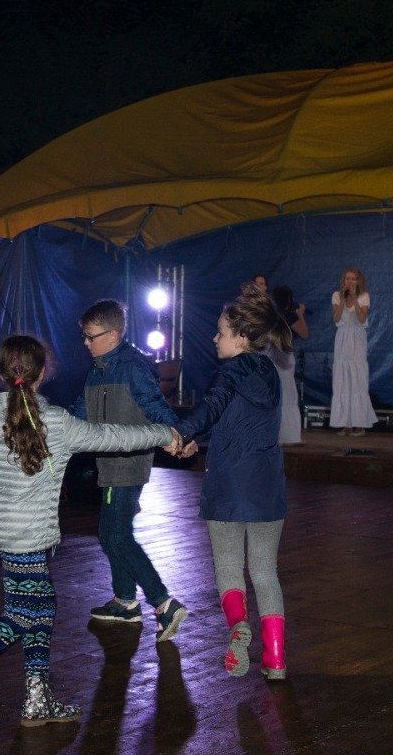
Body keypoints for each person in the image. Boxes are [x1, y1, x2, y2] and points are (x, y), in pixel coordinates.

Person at [0, 335, 180, 735]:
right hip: (28, 538)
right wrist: (164, 433)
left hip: (5, 535)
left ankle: (38, 698)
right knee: (22, 615)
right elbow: (115, 437)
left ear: (3, 373)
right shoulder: (59, 423)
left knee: (42, 608)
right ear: (42, 373)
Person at [173, 284, 291, 681]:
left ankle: (239, 626)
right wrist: (199, 439)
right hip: (267, 486)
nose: (214, 338)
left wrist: (180, 432)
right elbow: (236, 421)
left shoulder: (232, 370)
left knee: (227, 566)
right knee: (266, 572)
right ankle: (276, 659)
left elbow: (211, 407)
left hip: (227, 485)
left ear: (240, 338)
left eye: (220, 332)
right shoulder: (271, 374)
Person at [70, 300, 188, 640]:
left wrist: (179, 434)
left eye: (91, 336)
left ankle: (163, 602)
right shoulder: (97, 369)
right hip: (108, 462)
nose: (86, 343)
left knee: (116, 535)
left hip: (128, 463)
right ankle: (125, 601)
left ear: (113, 335)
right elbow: (79, 412)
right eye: (84, 336)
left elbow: (154, 405)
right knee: (111, 533)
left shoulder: (133, 367)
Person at [328, 269, 376, 437]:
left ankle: (359, 424)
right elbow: (336, 318)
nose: (350, 281)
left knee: (357, 379)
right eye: (347, 278)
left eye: (353, 279)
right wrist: (343, 299)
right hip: (342, 338)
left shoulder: (364, 297)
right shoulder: (336, 295)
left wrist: (354, 300)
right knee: (343, 380)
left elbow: (362, 319)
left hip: (357, 337)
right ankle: (345, 423)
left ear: (358, 281)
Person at [268, 285, 309, 445]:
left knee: (275, 395)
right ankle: (289, 435)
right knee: (288, 395)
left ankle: (276, 434)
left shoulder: (269, 315)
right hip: (284, 355)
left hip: (270, 355)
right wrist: (300, 314)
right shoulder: (289, 316)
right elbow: (304, 333)